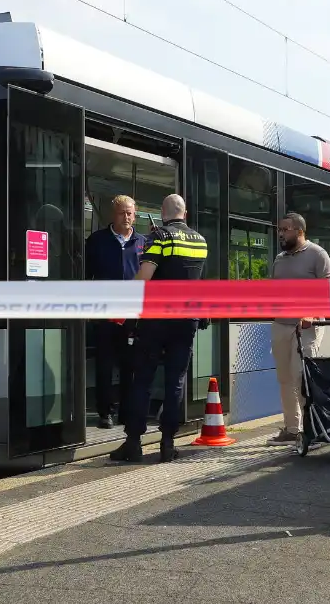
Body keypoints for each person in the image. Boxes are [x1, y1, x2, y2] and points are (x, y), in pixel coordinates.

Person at [110, 194, 207, 464]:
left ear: (163, 213)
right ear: (184, 214)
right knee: (175, 381)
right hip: (187, 320)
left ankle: (134, 442)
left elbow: (145, 277)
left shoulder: (160, 237)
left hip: (157, 320)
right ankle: (167, 444)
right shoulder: (200, 240)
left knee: (142, 379)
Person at [267, 213, 330, 446]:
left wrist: (312, 314)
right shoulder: (280, 259)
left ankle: (312, 429)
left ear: (299, 231)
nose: (281, 233)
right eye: (280, 229)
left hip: (308, 326)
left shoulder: (317, 254)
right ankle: (292, 429)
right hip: (281, 325)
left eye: (285, 229)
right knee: (285, 378)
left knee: (302, 377)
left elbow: (327, 291)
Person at [84, 195, 145, 428]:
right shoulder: (97, 240)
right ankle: (105, 412)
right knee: (105, 364)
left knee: (131, 364)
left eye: (130, 213)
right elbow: (86, 275)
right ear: (113, 214)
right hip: (105, 313)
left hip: (132, 315)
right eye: (122, 213)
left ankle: (126, 412)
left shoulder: (143, 242)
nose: (127, 217)